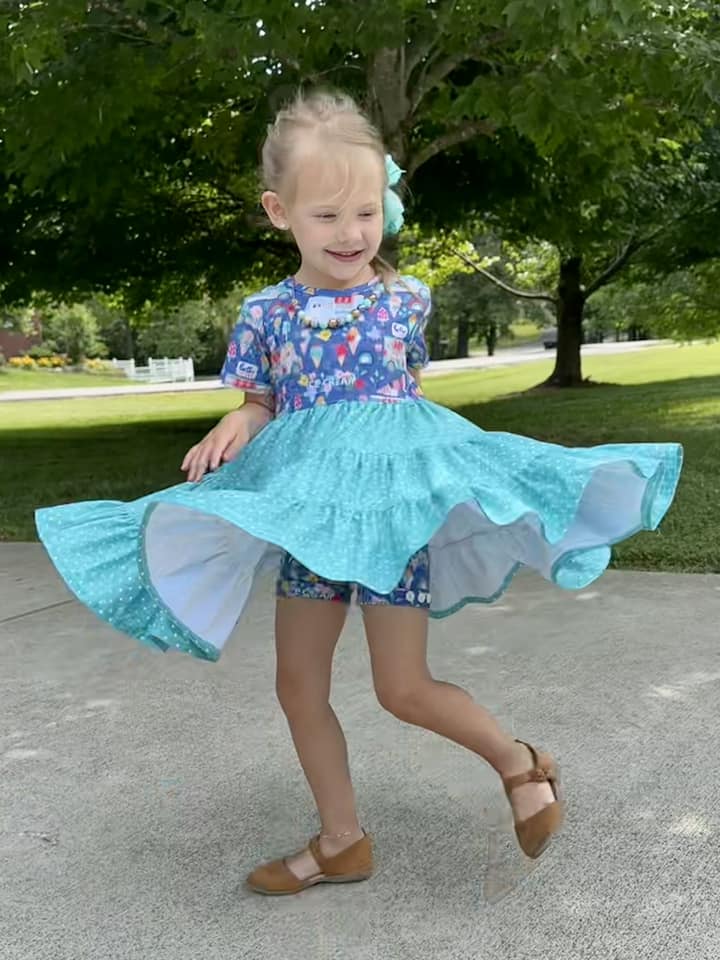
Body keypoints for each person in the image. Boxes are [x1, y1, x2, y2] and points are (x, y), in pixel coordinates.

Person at [36, 90, 683, 897]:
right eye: (328, 215)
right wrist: (242, 420)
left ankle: (518, 763)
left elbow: (401, 402)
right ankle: (341, 840)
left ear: (388, 205)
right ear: (280, 212)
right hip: (311, 522)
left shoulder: (404, 299)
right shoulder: (265, 313)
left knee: (402, 688)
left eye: (367, 212)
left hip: (388, 521)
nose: (351, 234)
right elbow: (264, 400)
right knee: (296, 686)